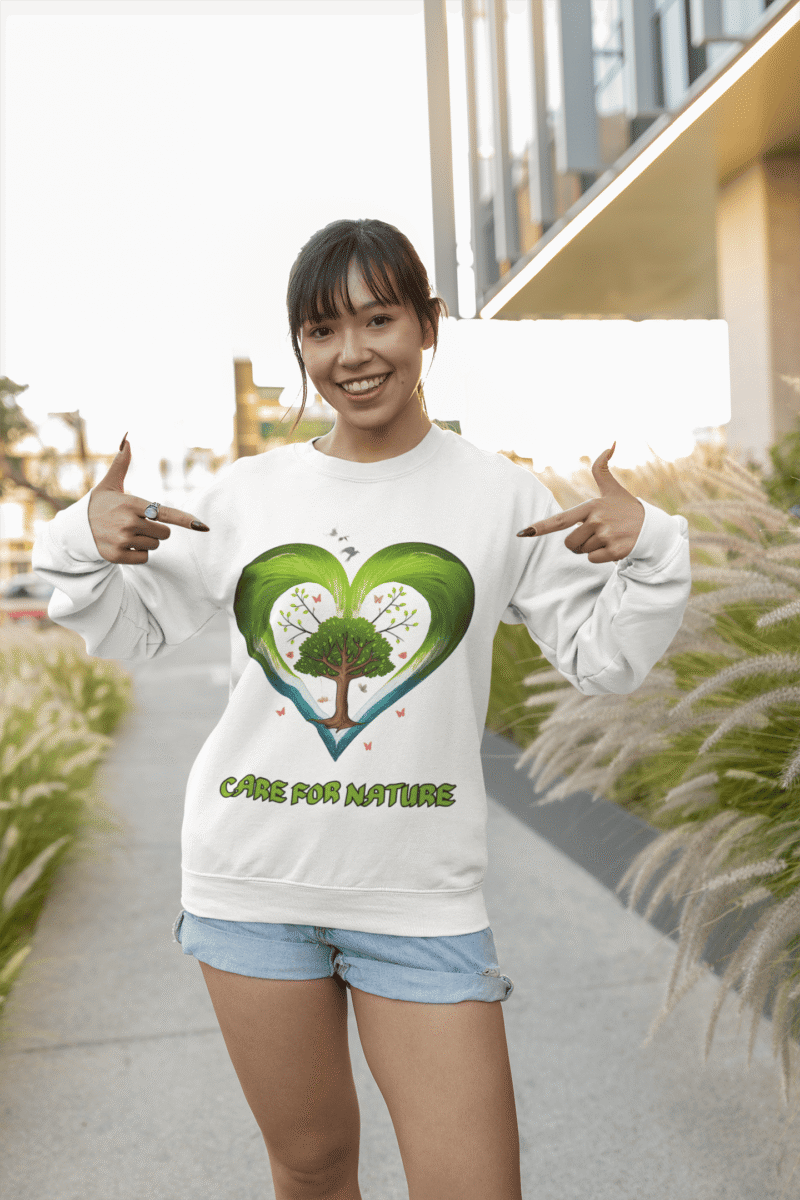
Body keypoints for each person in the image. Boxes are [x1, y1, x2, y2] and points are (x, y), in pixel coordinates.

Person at [32, 216, 692, 1200]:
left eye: (377, 319)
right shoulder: (246, 495)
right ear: (299, 346)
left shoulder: (503, 498)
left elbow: (605, 661)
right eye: (320, 330)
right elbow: (130, 631)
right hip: (250, 887)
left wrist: (653, 548)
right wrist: (77, 540)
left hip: (419, 899)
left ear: (429, 326)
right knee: (310, 1168)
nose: (351, 353)